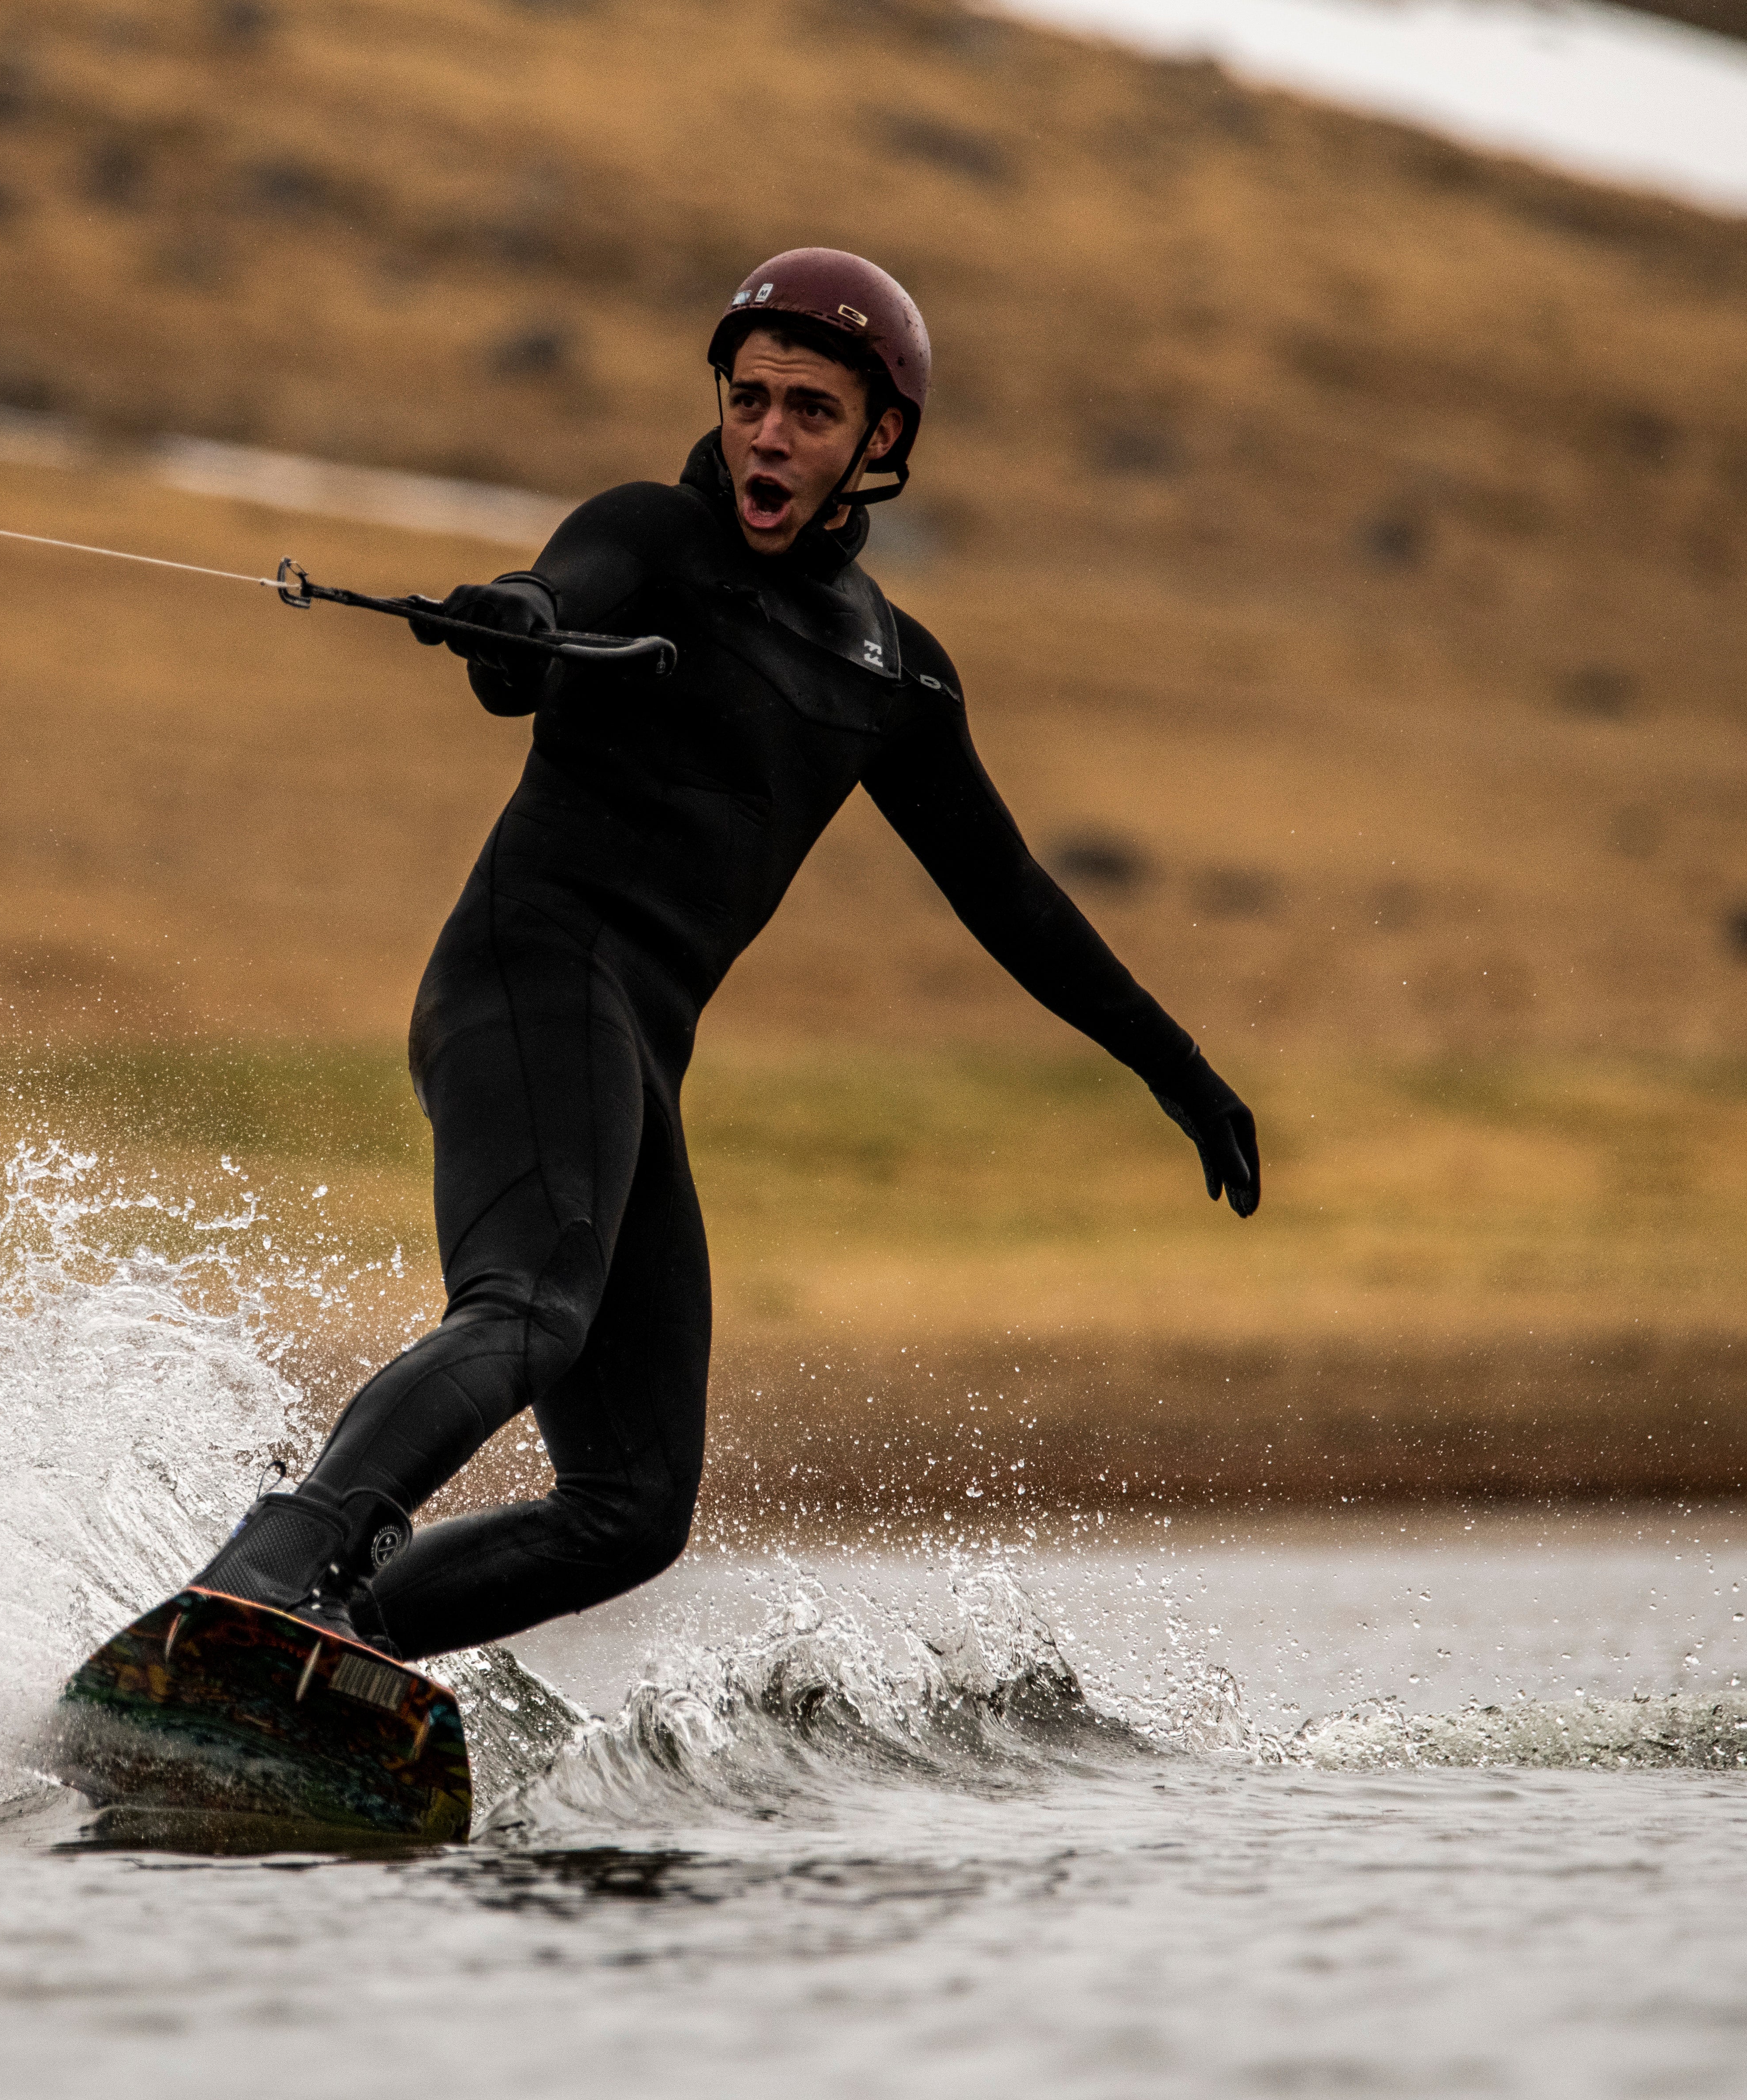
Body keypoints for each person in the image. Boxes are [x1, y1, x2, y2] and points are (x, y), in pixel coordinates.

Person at [189, 248, 1259, 1660]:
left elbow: (1008, 896)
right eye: (748, 399)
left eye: (810, 412)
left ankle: (320, 1646)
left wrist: (1174, 1069)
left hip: (636, 1049)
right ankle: (266, 1570)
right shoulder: (650, 538)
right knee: (528, 1312)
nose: (766, 433)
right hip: (530, 979)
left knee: (631, 1505)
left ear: (879, 441)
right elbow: (545, 610)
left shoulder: (896, 673)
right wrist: (513, 627)